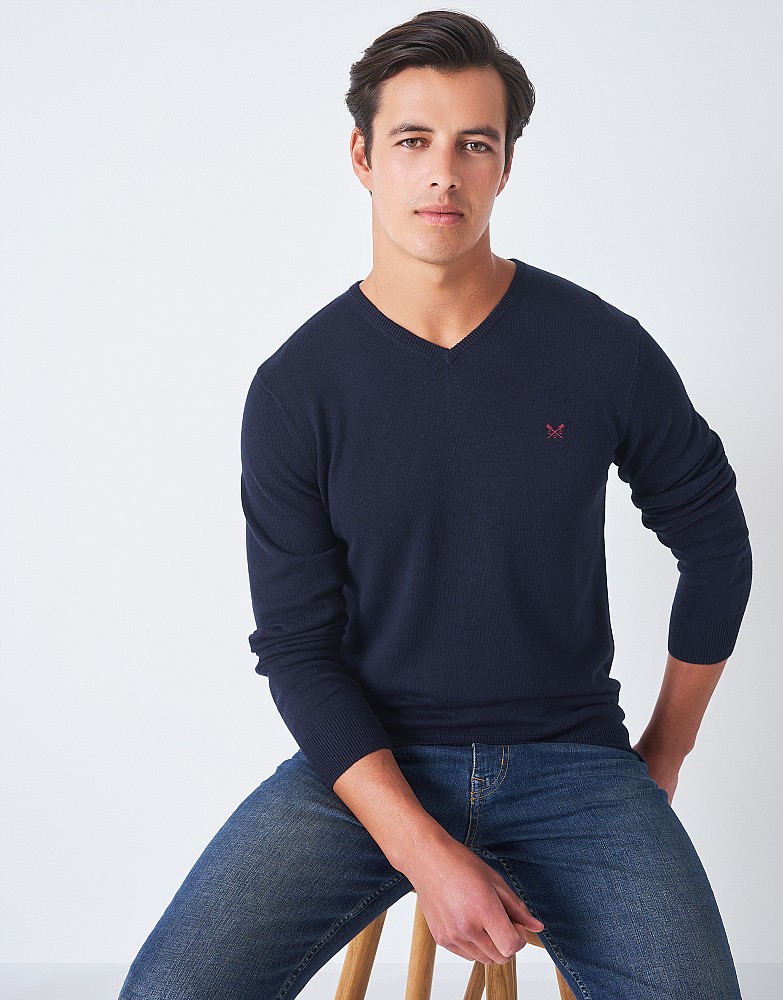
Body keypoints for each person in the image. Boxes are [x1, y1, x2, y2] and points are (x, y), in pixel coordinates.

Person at [118, 10, 752, 999]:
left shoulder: (599, 349)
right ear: (363, 157)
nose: (443, 174)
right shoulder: (297, 389)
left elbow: (714, 541)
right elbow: (296, 647)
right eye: (413, 141)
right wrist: (421, 849)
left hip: (574, 768)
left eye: (474, 144)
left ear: (506, 166)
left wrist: (663, 755)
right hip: (365, 769)